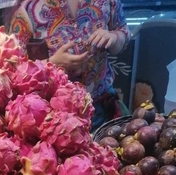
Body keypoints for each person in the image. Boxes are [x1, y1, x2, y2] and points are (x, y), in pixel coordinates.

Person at [8, 0, 131, 129]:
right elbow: (13, 67)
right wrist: (52, 63)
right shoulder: (28, 8)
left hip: (103, 107)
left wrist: (114, 38)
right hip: (55, 122)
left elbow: (123, 32)